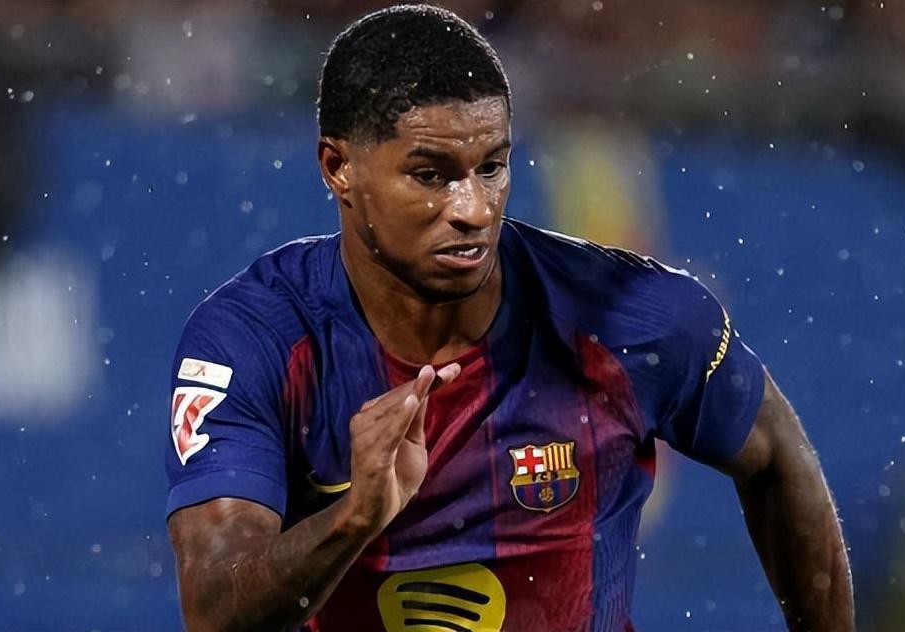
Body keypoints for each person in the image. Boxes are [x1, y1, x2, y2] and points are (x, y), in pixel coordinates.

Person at [165, 5, 853, 631]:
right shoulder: (251, 341)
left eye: (491, 167)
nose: (473, 208)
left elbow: (779, 458)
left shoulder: (631, 316)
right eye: (431, 174)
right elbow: (215, 612)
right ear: (338, 166)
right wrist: (354, 517)